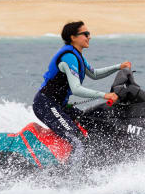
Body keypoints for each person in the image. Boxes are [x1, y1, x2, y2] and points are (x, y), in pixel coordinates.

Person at [33, 21, 131, 164]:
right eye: (85, 34)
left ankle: (100, 162)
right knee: (77, 139)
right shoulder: (68, 57)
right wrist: (104, 95)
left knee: (91, 122)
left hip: (59, 105)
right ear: (73, 37)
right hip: (46, 105)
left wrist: (119, 67)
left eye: (89, 33)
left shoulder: (76, 54)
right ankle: (73, 178)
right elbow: (76, 89)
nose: (89, 37)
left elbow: (94, 74)